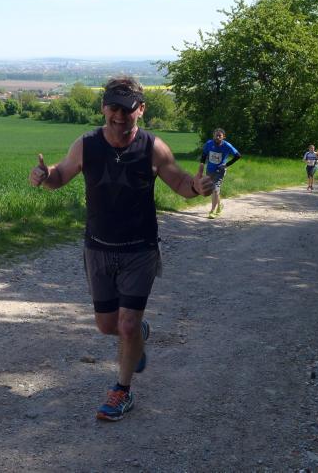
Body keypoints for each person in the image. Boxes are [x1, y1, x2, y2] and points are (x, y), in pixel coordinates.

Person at [29, 76, 213, 421]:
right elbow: (60, 176)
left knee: (126, 325)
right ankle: (138, 335)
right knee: (106, 325)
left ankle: (122, 391)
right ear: (103, 108)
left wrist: (198, 187)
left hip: (140, 249)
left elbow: (180, 182)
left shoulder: (153, 148)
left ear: (141, 110)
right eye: (113, 107)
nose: (119, 116)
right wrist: (44, 175)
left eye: (127, 109)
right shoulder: (86, 145)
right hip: (98, 248)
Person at [198, 128, 241, 218]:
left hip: (220, 171)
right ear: (213, 135)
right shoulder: (209, 143)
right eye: (216, 135)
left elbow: (238, 155)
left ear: (223, 137)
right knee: (213, 190)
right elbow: (204, 155)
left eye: (219, 136)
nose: (217, 137)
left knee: (215, 189)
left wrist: (226, 165)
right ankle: (219, 205)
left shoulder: (227, 145)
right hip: (209, 170)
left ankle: (212, 211)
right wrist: (201, 165)